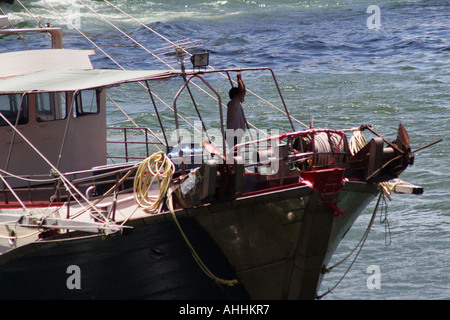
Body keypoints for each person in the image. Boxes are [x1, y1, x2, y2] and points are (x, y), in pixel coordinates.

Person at [226, 72, 247, 151]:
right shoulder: (233, 104)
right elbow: (242, 91)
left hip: (236, 133)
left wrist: (240, 80)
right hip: (233, 134)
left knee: (236, 153)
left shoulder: (237, 103)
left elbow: (243, 91)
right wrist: (239, 79)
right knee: (234, 154)